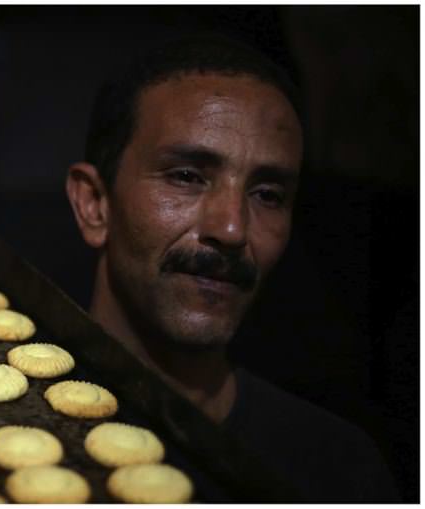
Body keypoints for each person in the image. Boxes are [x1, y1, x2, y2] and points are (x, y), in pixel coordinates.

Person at [65, 34, 399, 502]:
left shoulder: (335, 469)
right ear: (94, 205)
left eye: (268, 195)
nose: (232, 228)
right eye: (186, 176)